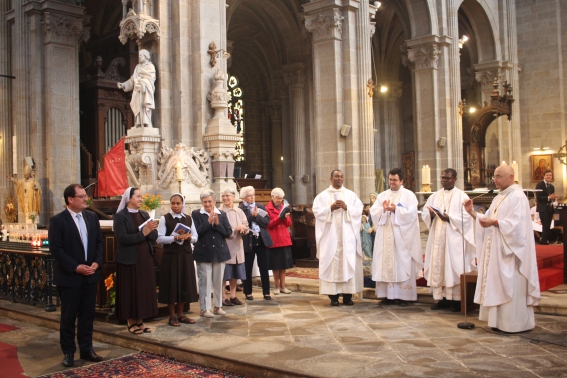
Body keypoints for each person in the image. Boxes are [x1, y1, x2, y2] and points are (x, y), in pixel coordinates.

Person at [464, 165, 541, 332]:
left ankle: (514, 324)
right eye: (494, 176)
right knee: (498, 283)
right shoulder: (499, 197)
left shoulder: (518, 197)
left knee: (511, 283)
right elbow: (488, 218)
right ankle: (498, 322)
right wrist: (472, 213)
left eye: (498, 176)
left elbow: (518, 227)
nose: (495, 179)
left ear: (511, 178)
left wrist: (496, 223)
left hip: (511, 253)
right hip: (497, 250)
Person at [49, 184, 104, 367]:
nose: (85, 198)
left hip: (90, 274)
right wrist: (75, 267)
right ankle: (69, 352)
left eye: (85, 195)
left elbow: (99, 242)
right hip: (70, 276)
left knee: (87, 315)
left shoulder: (91, 217)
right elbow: (56, 249)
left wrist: (97, 262)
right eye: (81, 196)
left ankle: (87, 349)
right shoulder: (58, 220)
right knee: (68, 317)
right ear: (70, 200)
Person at [421, 168, 476, 312]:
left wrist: (449, 218)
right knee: (439, 267)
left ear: (455, 179)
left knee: (454, 267)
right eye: (443, 178)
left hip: (454, 239)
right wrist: (432, 215)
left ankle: (457, 300)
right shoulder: (435, 196)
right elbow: (426, 215)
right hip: (437, 238)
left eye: (448, 178)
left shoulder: (461, 196)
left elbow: (468, 218)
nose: (444, 181)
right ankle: (442, 299)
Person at [371, 168, 422, 307]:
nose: (392, 182)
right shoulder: (382, 195)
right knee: (386, 262)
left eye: (395, 180)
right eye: (390, 179)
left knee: (401, 263)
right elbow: (373, 212)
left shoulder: (409, 195)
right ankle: (387, 295)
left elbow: (412, 214)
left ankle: (403, 296)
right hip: (385, 234)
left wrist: (396, 210)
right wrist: (383, 209)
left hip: (402, 237)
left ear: (402, 181)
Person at [312, 170, 364, 306]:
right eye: (336, 176)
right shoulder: (322, 196)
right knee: (331, 264)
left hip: (347, 239)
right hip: (330, 238)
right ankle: (333, 297)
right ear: (331, 178)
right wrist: (330, 208)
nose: (339, 178)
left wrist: (347, 208)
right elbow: (316, 212)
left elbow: (359, 211)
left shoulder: (351, 195)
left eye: (341, 176)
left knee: (348, 263)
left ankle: (348, 297)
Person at [113, 187, 159, 335]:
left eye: (141, 197)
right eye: (138, 197)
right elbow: (123, 239)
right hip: (129, 260)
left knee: (142, 290)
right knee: (130, 290)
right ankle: (130, 321)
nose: (141, 199)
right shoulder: (120, 217)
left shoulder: (144, 214)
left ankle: (140, 320)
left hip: (145, 259)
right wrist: (143, 233)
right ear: (129, 198)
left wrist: (151, 231)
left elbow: (154, 236)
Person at [156, 193, 199, 326]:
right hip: (171, 256)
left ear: (182, 204)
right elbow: (159, 238)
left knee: (184, 283)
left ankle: (181, 314)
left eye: (178, 203)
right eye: (173, 203)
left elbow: (196, 236)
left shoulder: (188, 218)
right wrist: (175, 238)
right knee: (172, 284)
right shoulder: (165, 219)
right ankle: (172, 315)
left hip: (185, 255)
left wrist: (189, 237)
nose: (175, 206)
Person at [192, 189, 232, 317]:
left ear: (214, 201)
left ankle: (218, 306)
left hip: (220, 252)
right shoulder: (196, 214)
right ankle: (205, 309)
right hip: (204, 252)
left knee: (218, 281)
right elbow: (196, 232)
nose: (207, 204)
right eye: (205, 202)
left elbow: (228, 232)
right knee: (205, 281)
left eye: (209, 201)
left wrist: (217, 223)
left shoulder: (222, 214)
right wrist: (208, 222)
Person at [239, 186, 273, 300]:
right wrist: (251, 216)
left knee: (264, 267)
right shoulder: (240, 209)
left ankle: (266, 292)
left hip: (262, 239)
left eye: (253, 195)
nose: (252, 197)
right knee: (248, 267)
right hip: (249, 240)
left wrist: (257, 215)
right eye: (249, 195)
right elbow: (243, 223)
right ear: (243, 198)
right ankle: (248, 292)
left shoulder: (260, 206)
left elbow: (266, 222)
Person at [218, 187, 248, 307]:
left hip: (238, 245)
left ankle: (233, 295)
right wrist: (234, 230)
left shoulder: (239, 211)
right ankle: (223, 296)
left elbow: (246, 224)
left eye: (227, 196)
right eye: (223, 196)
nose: (225, 198)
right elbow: (221, 230)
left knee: (235, 273)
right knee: (224, 273)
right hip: (226, 246)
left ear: (233, 197)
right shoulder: (220, 211)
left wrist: (244, 229)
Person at [117, 49, 156, 128]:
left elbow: (151, 79)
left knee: (144, 105)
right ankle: (138, 122)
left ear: (146, 56)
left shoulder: (150, 66)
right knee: (137, 104)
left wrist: (143, 82)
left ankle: (147, 122)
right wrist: (124, 85)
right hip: (137, 90)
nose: (139, 57)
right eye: (139, 56)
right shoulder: (138, 67)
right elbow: (132, 79)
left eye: (141, 55)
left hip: (145, 90)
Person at [266, 187, 294, 295]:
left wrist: (285, 217)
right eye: (278, 198)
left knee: (284, 265)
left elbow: (288, 224)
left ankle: (283, 286)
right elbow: (269, 224)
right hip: (274, 239)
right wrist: (279, 217)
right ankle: (276, 287)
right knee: (276, 265)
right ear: (272, 196)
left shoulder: (283, 207)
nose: (279, 201)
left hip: (284, 239)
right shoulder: (267, 209)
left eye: (281, 199)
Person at [536, 169, 559, 245]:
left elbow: (552, 197)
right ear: (544, 176)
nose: (549, 176)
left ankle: (544, 240)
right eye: (547, 175)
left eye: (550, 175)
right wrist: (548, 198)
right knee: (545, 224)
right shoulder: (540, 185)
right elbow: (539, 197)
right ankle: (543, 241)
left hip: (550, 208)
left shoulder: (552, 186)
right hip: (543, 208)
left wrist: (553, 199)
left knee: (548, 225)